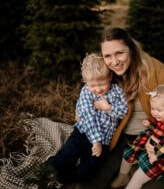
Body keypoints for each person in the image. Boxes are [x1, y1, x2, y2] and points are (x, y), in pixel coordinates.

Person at [78, 27, 164, 189]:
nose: (114, 61)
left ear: (132, 50)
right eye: (108, 56)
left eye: (120, 53)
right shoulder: (106, 73)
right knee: (92, 182)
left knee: (154, 187)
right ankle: (122, 172)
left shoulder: (155, 69)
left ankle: (131, 173)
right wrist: (85, 124)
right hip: (118, 138)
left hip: (153, 140)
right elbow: (86, 103)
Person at [45, 53, 128, 184]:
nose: (98, 89)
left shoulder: (117, 91)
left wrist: (108, 108)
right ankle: (49, 170)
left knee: (87, 172)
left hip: (105, 141)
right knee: (66, 156)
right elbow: (88, 116)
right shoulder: (86, 91)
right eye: (93, 85)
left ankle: (69, 180)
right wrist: (96, 141)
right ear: (86, 82)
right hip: (82, 133)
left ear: (110, 77)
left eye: (102, 84)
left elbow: (123, 111)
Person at [111, 84, 164, 189]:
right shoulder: (162, 117)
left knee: (137, 178)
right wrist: (149, 124)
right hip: (149, 149)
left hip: (160, 159)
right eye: (153, 109)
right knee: (128, 153)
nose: (155, 113)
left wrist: (156, 155)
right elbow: (158, 130)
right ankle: (123, 177)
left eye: (159, 110)